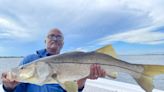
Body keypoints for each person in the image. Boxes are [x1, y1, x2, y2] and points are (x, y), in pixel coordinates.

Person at [1, 28, 106, 92]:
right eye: (51, 36)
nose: (55, 39)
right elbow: (18, 89)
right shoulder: (29, 59)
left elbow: (72, 90)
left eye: (59, 37)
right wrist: (8, 87)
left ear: (63, 43)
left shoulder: (70, 62)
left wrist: (84, 77)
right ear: (45, 40)